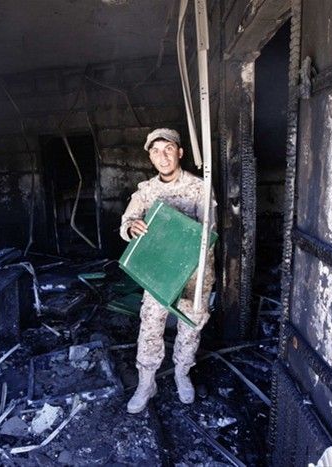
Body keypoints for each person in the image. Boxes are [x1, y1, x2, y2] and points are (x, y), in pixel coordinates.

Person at [120, 128, 216, 414]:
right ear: (150, 157)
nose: (162, 157)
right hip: (158, 274)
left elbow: (208, 234)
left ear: (180, 153)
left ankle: (182, 374)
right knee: (150, 326)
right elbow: (127, 222)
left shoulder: (200, 188)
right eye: (155, 152)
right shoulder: (147, 191)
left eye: (168, 149)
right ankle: (146, 382)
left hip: (194, 275)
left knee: (190, 326)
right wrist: (131, 227)